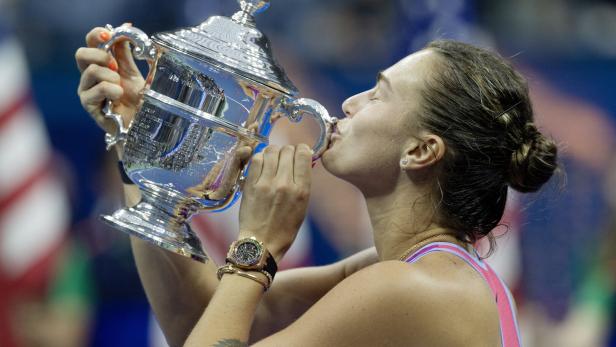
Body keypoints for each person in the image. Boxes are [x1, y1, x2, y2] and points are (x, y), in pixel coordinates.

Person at [75, 25, 558, 346]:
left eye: (378, 94)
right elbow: (197, 322)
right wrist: (143, 147)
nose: (349, 102)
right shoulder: (401, 270)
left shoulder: (413, 287)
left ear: (420, 151)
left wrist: (257, 247)